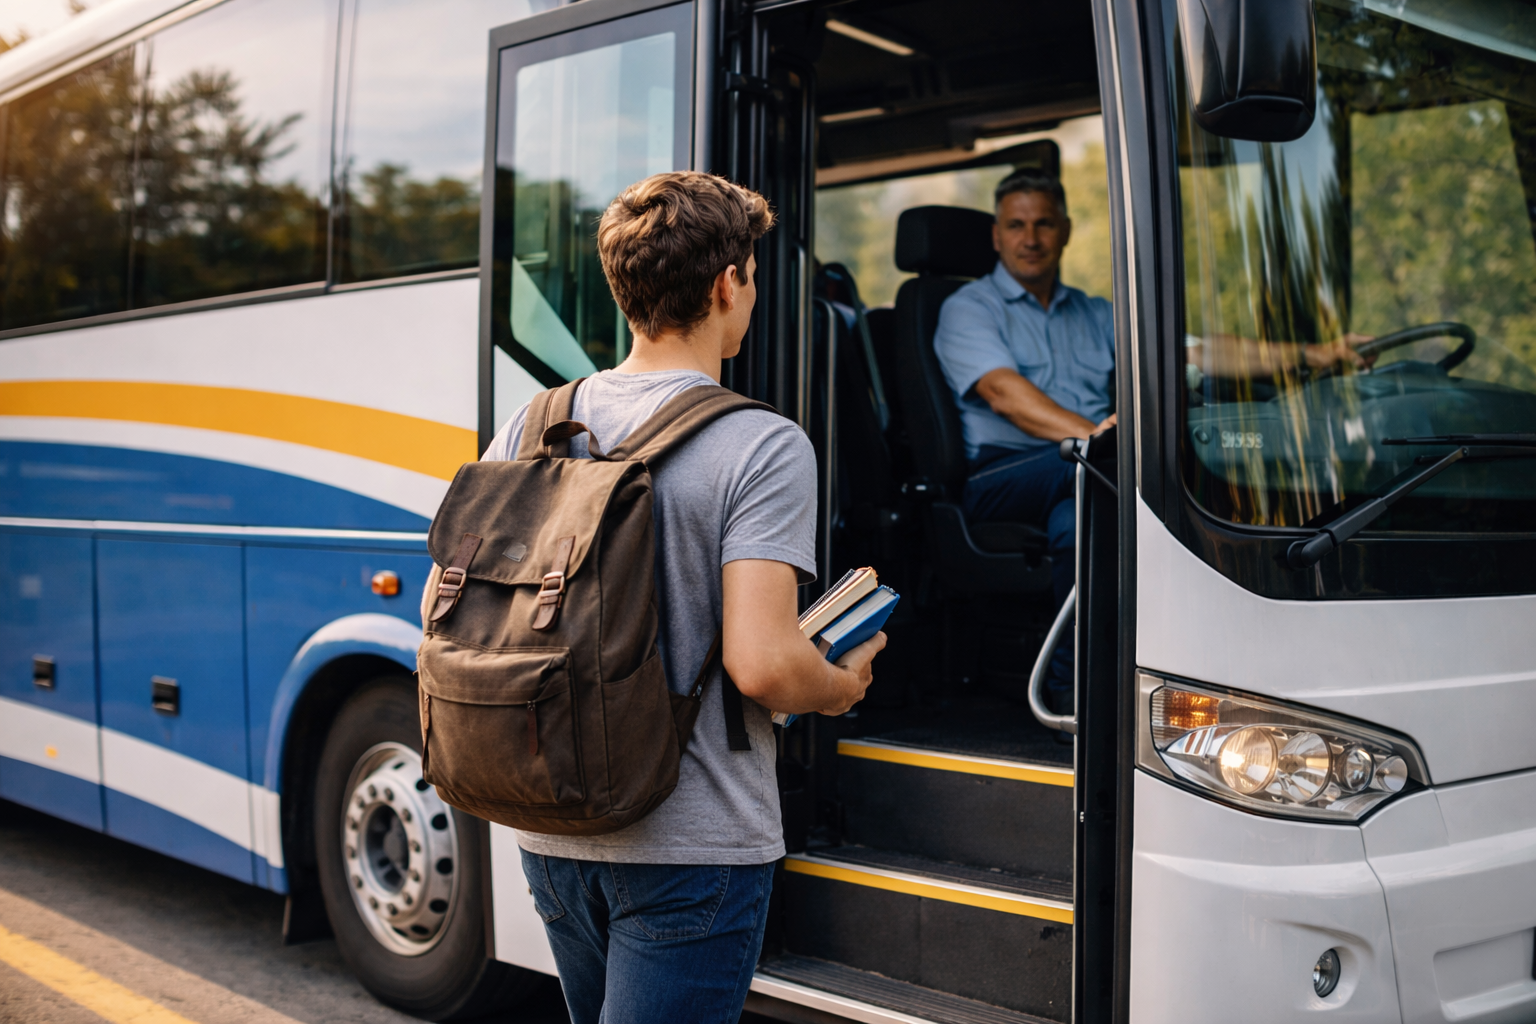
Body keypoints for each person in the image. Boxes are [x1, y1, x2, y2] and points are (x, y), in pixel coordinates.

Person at [480, 172, 887, 1024]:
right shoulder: (760, 443)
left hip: (552, 830)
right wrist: (841, 684)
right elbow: (765, 665)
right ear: (727, 283)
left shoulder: (532, 422)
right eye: (751, 273)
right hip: (692, 843)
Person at [931, 170, 1113, 721]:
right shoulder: (969, 307)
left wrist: (1319, 355)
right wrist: (1101, 440)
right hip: (997, 478)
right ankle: (1073, 688)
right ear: (996, 235)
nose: (1030, 238)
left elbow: (1193, 351)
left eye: (1043, 224)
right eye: (1016, 225)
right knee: (1096, 470)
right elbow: (1004, 395)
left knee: (1075, 524)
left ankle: (1070, 692)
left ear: (1066, 231)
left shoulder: (1098, 313)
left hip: (1080, 469)